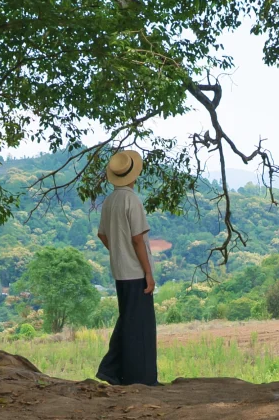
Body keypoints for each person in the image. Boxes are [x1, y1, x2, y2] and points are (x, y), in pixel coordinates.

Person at [94, 149, 158, 386]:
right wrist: (148, 273)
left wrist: (117, 252)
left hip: (120, 271)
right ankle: (140, 378)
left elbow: (102, 234)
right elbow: (138, 239)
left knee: (129, 320)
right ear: (134, 175)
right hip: (135, 272)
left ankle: (113, 372)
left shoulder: (109, 201)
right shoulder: (132, 200)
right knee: (140, 326)